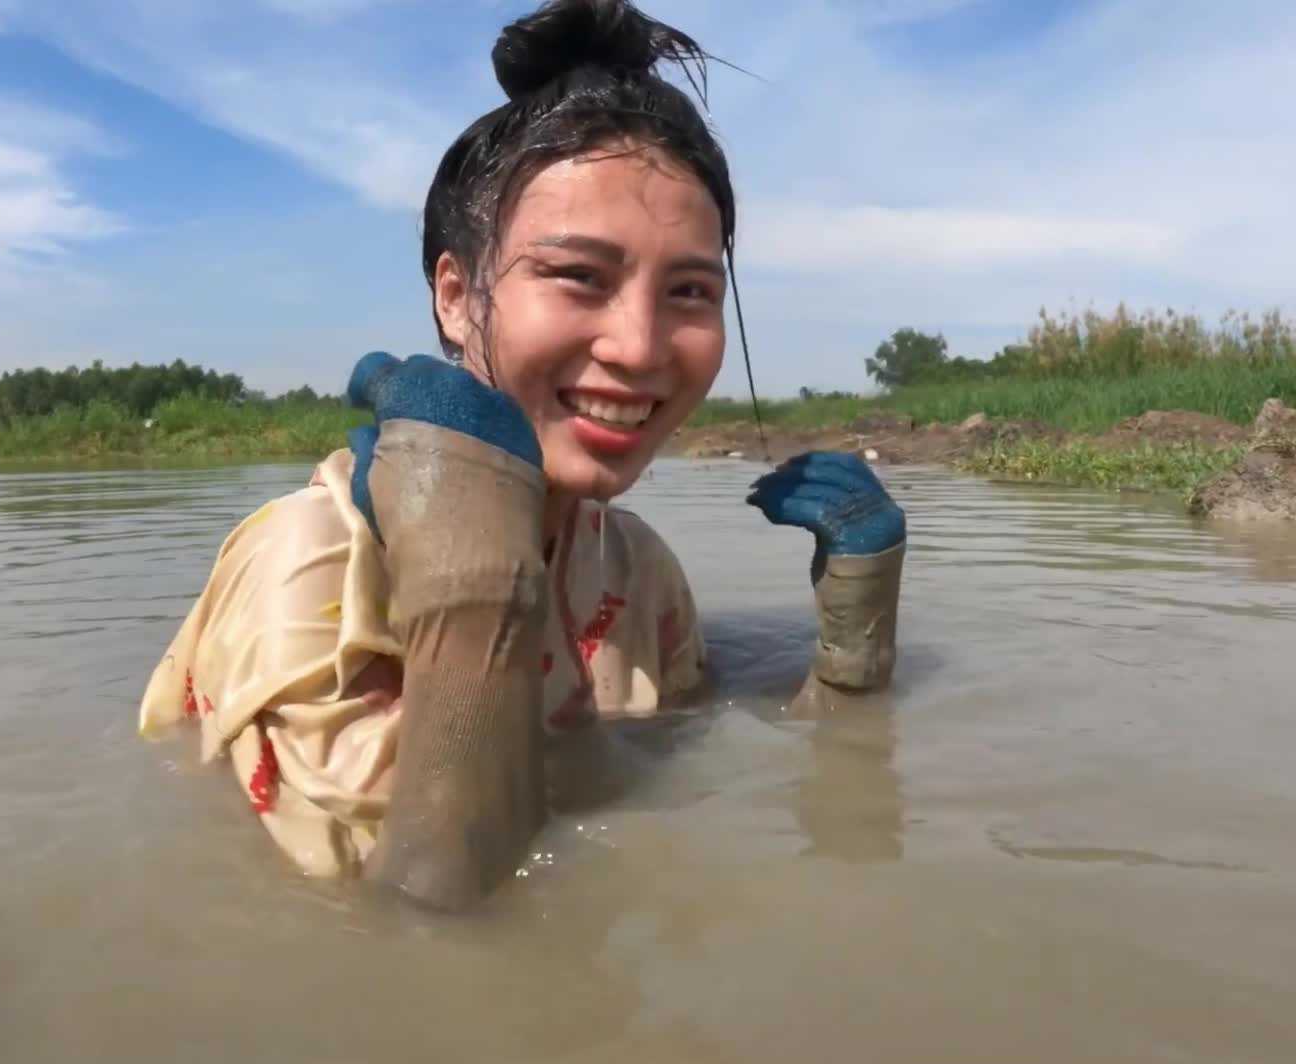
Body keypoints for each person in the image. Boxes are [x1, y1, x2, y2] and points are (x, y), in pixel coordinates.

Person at [137, 0, 909, 911]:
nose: (640, 345)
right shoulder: (302, 571)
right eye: (580, 275)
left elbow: (710, 769)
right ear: (457, 296)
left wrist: (854, 641)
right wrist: (473, 593)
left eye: (691, 290)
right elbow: (415, 935)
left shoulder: (636, 569)